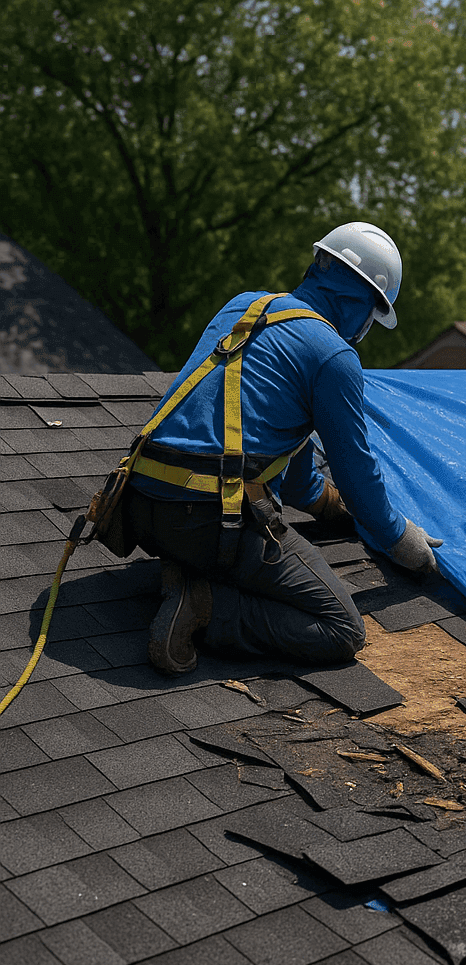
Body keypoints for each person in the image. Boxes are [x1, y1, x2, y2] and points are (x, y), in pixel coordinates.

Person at [122, 222, 443, 675]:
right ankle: (205, 605)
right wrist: (399, 539)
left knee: (216, 508)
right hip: (207, 518)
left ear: (319, 267)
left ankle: (185, 564)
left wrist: (330, 506)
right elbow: (357, 472)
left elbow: (273, 454)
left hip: (139, 503)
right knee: (341, 629)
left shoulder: (244, 306)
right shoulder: (333, 356)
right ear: (363, 304)